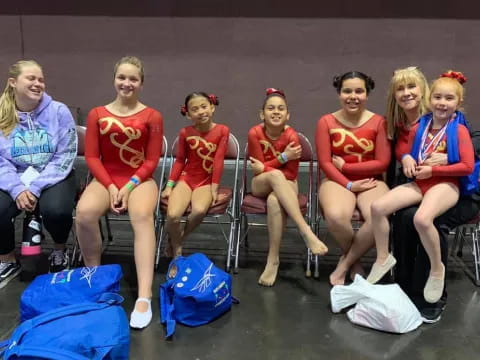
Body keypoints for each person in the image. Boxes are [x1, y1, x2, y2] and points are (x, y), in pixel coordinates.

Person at [368, 71, 475, 305]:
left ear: (458, 102)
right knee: (377, 207)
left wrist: (436, 169)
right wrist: (406, 156)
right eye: (438, 97)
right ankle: (384, 257)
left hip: (445, 184)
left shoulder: (459, 130)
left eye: (449, 99)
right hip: (420, 182)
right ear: (429, 99)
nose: (442, 103)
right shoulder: (422, 126)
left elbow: (467, 166)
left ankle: (437, 269)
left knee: (422, 219)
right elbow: (409, 150)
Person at [75, 56, 163, 329]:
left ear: (141, 83)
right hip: (106, 178)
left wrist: (128, 185)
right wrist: (112, 186)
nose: (127, 83)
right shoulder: (97, 114)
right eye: (122, 77)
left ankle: (144, 296)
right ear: (114, 79)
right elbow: (92, 156)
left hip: (139, 179)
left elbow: (151, 160)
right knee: (85, 213)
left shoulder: (152, 116)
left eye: (133, 79)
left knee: (141, 215)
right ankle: (96, 278)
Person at [0, 60, 77, 287]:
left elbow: (66, 154)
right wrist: (17, 188)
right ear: (13, 82)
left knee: (57, 210)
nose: (37, 84)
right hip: (14, 175)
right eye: (31, 78)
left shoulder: (58, 111)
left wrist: (34, 188)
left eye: (41, 79)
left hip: (53, 173)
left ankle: (59, 250)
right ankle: (7, 257)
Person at [316, 71, 391, 286]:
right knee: (336, 216)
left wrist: (349, 167)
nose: (353, 96)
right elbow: (326, 163)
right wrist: (348, 183)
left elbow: (382, 162)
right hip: (337, 180)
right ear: (339, 94)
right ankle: (355, 260)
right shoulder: (326, 122)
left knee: (378, 217)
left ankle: (345, 263)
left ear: (367, 94)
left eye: (359, 91)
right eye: (347, 91)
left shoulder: (380, 122)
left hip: (371, 181)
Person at [248, 88, 328, 286]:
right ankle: (306, 231)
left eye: (281, 109)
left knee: (275, 201)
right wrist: (283, 157)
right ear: (262, 113)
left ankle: (273, 259)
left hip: (287, 182)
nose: (276, 112)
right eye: (271, 108)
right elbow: (258, 172)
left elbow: (291, 174)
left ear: (287, 114)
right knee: (274, 175)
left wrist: (269, 166)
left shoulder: (292, 137)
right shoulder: (255, 133)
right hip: (260, 183)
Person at [161, 92, 229, 259]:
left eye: (204, 107)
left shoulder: (222, 130)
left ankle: (177, 241)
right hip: (186, 178)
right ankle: (178, 252)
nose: (201, 111)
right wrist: (170, 185)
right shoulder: (185, 132)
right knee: (172, 215)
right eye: (195, 109)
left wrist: (214, 188)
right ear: (188, 114)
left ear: (212, 108)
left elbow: (218, 160)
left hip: (206, 181)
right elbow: (179, 161)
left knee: (198, 210)